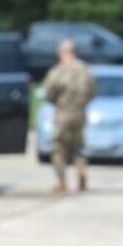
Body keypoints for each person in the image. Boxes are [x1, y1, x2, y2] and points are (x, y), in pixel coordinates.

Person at [41, 38, 96, 194]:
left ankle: (62, 181)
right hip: (80, 113)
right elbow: (93, 91)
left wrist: (55, 102)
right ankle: (81, 171)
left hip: (63, 113)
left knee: (58, 147)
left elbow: (49, 92)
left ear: (62, 53)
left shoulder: (58, 71)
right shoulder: (85, 70)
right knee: (78, 146)